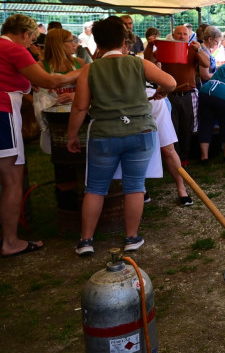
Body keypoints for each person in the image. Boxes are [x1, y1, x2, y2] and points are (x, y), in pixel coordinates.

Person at [69, 17, 176, 256]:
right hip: (141, 132)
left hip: (104, 134)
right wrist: (161, 92)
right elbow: (170, 82)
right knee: (135, 186)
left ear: (98, 42)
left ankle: (86, 240)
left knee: (95, 188)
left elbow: (79, 107)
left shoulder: (90, 69)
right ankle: (131, 238)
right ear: (123, 41)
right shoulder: (138, 64)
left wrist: (72, 135)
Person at [1, 14, 82, 257]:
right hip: (3, 113)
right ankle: (10, 241)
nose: (32, 46)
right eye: (32, 39)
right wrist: (85, 71)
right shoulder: (14, 48)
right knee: (12, 180)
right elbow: (49, 80)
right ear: (24, 34)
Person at [144, 25, 210, 166]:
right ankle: (174, 161)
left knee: (186, 128)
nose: (181, 36)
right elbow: (149, 61)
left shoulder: (193, 50)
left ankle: (183, 158)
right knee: (171, 128)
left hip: (187, 94)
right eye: (178, 34)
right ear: (173, 35)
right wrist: (150, 46)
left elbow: (206, 63)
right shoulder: (165, 48)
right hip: (168, 95)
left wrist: (199, 49)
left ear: (188, 36)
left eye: (184, 34)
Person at [33, 29, 87, 152]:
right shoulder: (41, 66)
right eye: (70, 41)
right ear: (58, 44)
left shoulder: (79, 63)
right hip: (55, 120)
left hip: (79, 117)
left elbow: (90, 88)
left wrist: (75, 95)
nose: (75, 44)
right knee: (60, 152)